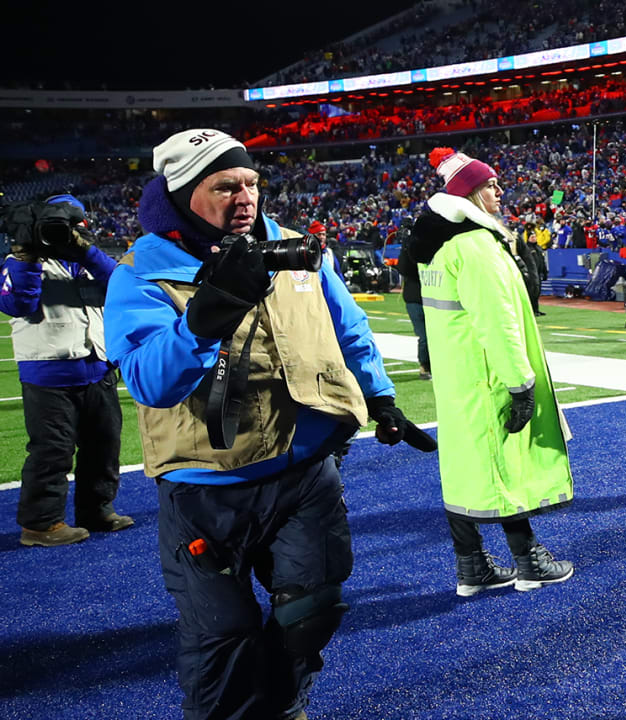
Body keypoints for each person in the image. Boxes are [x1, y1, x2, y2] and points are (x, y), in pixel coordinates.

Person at [103, 129, 434, 720]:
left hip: (307, 468)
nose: (246, 196)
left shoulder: (295, 248)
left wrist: (381, 398)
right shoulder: (141, 273)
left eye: (252, 182)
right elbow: (151, 382)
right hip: (207, 481)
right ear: (181, 193)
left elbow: (348, 326)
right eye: (225, 186)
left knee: (311, 614)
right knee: (224, 639)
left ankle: (285, 707)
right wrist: (202, 321)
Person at [413, 148, 574, 597]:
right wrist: (520, 385)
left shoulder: (439, 246)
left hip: (456, 375)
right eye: (489, 185)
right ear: (467, 192)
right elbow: (498, 323)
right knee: (502, 469)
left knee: (463, 469)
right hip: (487, 376)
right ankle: (529, 562)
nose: (499, 191)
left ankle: (471, 566)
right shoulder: (476, 245)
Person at [1, 194, 131, 547]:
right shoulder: (20, 261)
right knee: (51, 451)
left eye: (73, 227)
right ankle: (40, 524)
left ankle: (96, 510)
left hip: (97, 367)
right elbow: (16, 303)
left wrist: (86, 251)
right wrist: (25, 255)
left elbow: (124, 285)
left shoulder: (89, 261)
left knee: (104, 446)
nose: (66, 234)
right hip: (48, 373)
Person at [403, 216, 434, 380]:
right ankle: (424, 367)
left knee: (433, 335)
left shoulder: (432, 247)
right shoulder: (411, 249)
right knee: (425, 336)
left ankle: (432, 365)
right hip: (415, 297)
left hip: (431, 296)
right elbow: (404, 268)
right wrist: (406, 246)